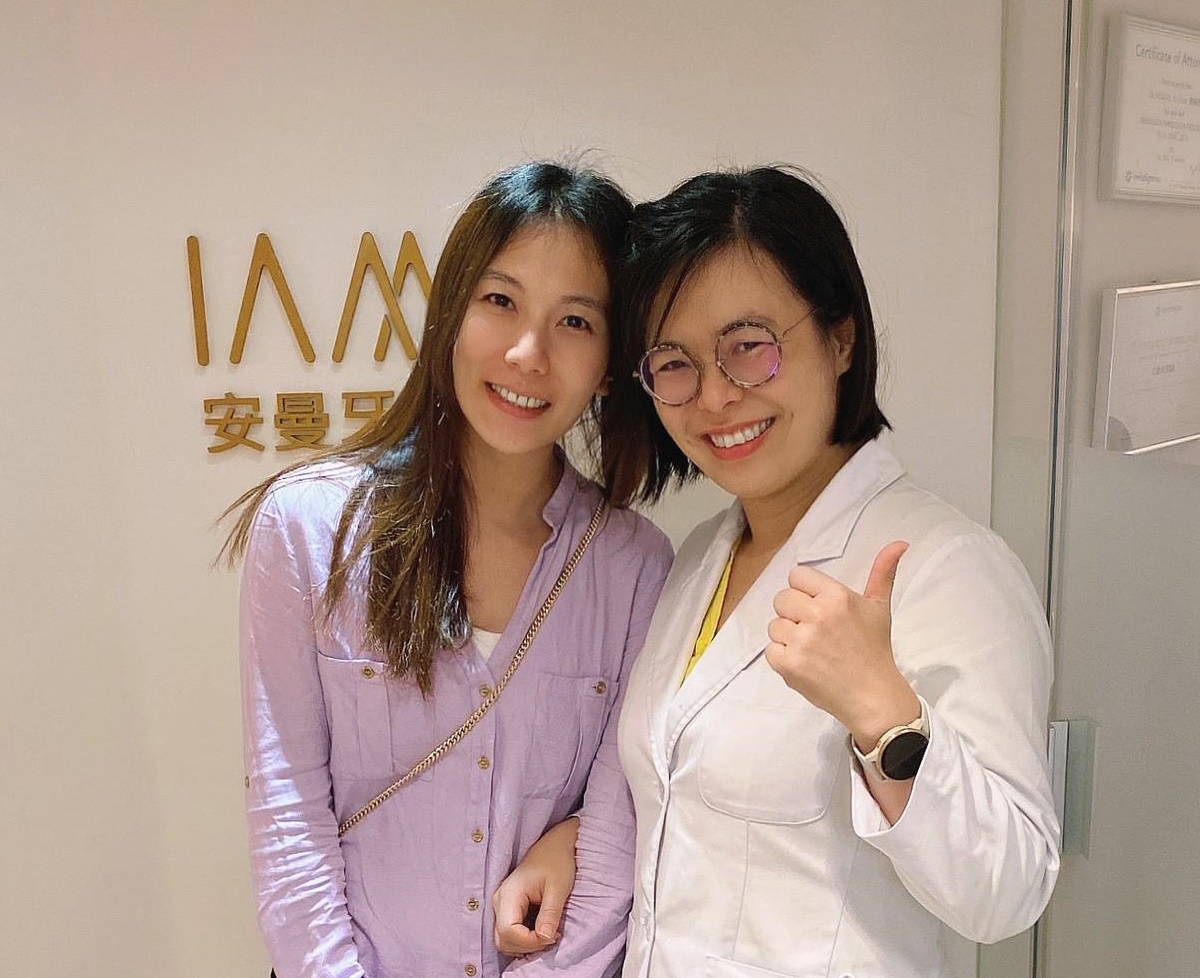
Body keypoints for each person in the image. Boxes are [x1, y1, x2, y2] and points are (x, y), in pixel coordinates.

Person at [501, 166, 1060, 978]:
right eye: (674, 362)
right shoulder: (700, 557)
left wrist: (885, 717)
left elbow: (1008, 893)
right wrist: (572, 840)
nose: (715, 397)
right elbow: (689, 803)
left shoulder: (949, 567)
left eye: (749, 347)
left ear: (840, 338)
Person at [223, 161, 674, 978]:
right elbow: (287, 809)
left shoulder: (634, 567)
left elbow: (614, 835)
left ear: (611, 363)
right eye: (500, 301)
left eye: (576, 321)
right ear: (450, 314)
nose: (528, 353)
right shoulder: (309, 529)